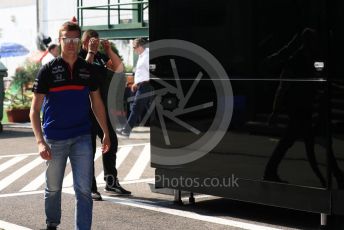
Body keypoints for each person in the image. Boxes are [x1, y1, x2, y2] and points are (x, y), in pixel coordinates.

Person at [30, 21, 110, 230]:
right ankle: (52, 224)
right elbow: (34, 110)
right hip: (55, 138)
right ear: (60, 41)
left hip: (82, 136)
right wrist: (40, 142)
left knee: (84, 190)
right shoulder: (48, 70)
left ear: (79, 42)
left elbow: (97, 102)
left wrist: (106, 132)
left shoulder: (87, 69)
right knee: (53, 188)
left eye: (75, 39)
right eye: (67, 39)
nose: (72, 44)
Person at [79, 29, 131, 200]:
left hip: (101, 109)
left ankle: (111, 181)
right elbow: (84, 71)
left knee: (111, 142)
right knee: (89, 149)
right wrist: (91, 52)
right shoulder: (79, 56)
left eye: (95, 41)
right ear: (83, 42)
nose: (92, 43)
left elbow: (119, 68)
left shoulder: (100, 57)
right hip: (85, 110)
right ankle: (90, 187)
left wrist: (108, 50)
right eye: (89, 41)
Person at [117, 37, 152, 137]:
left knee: (136, 107)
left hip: (145, 85)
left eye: (134, 47)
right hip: (142, 86)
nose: (133, 49)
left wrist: (138, 83)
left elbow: (151, 73)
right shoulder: (142, 55)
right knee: (145, 108)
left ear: (140, 46)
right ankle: (126, 130)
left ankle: (126, 130)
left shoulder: (147, 56)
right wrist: (136, 83)